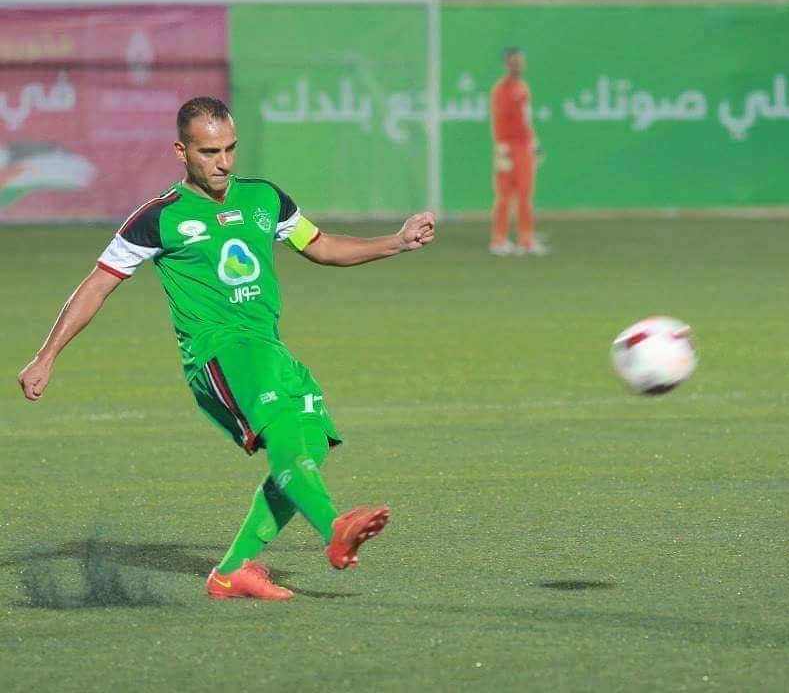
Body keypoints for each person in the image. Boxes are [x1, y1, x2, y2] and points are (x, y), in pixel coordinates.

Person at [17, 96, 436, 601]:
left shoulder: (264, 198)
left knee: (310, 441)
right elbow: (97, 285)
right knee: (285, 432)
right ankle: (334, 527)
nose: (223, 162)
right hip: (218, 353)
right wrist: (47, 355)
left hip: (268, 348)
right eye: (209, 152)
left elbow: (321, 245)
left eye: (230, 149)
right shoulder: (157, 218)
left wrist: (396, 242)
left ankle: (232, 571)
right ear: (182, 151)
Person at [489, 48, 547, 256]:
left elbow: (525, 120)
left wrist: (534, 144)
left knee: (525, 194)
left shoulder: (522, 88)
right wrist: (502, 147)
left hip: (524, 147)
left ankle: (526, 239)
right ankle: (499, 240)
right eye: (514, 62)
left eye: (520, 61)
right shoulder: (502, 89)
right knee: (505, 194)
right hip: (509, 146)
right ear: (507, 64)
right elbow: (499, 119)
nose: (518, 65)